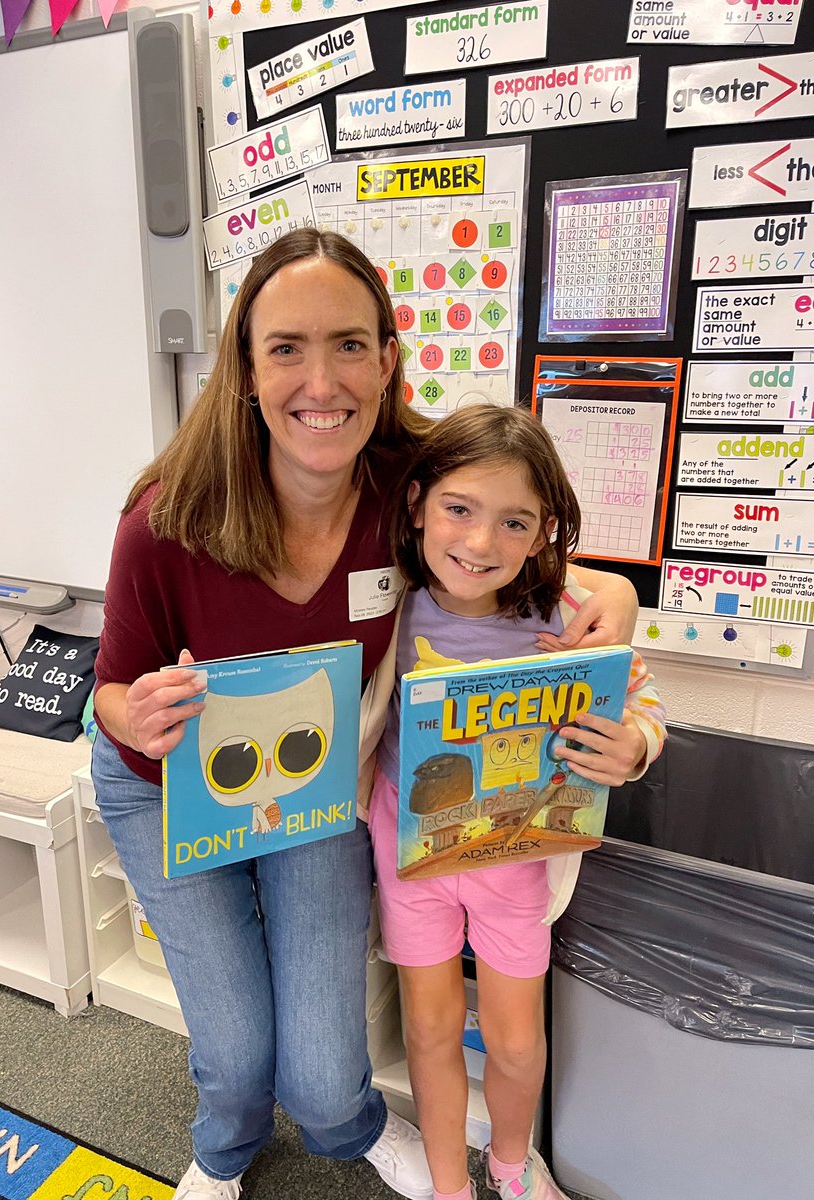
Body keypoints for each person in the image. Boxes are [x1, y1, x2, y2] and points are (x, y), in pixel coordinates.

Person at [90, 228, 641, 1200]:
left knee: (317, 1058)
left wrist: (619, 603)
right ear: (246, 370)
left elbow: (509, 537)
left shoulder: (403, 482)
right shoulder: (166, 518)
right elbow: (112, 689)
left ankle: (348, 1123)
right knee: (234, 1045)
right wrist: (131, 718)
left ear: (387, 360)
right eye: (286, 348)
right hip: (171, 784)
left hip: (313, 787)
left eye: (350, 344)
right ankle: (222, 1150)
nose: (323, 379)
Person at [368, 404, 667, 1200]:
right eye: (459, 510)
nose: (478, 542)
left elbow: (644, 706)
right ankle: (447, 1185)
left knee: (515, 1041)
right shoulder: (388, 607)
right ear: (418, 502)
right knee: (429, 1030)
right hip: (413, 852)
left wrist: (633, 745)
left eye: (513, 522)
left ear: (540, 535)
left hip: (518, 860)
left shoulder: (568, 617)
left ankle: (511, 1166)